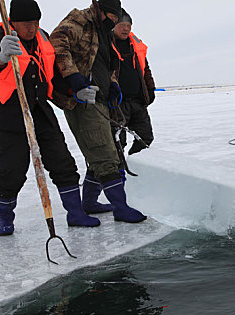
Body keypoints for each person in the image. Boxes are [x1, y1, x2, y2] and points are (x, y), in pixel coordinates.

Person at [0, 0, 101, 236]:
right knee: (11, 169)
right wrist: (2, 57)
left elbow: (53, 74)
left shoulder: (43, 37)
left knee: (62, 161)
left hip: (39, 109)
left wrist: (73, 91)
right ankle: (5, 216)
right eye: (27, 23)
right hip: (8, 114)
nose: (32, 28)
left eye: (36, 22)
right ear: (13, 21)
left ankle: (75, 213)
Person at [50, 0, 147, 223]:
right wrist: (73, 78)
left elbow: (104, 63)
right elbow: (57, 44)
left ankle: (90, 203)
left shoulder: (103, 30)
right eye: (111, 18)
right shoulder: (79, 21)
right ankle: (120, 208)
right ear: (100, 10)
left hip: (101, 100)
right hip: (83, 101)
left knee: (105, 151)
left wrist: (112, 84)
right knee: (104, 153)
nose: (113, 23)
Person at [112, 9, 156, 156]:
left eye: (129, 26)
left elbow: (146, 69)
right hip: (117, 104)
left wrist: (150, 88)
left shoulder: (135, 46)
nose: (126, 29)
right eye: (122, 25)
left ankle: (136, 164)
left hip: (137, 101)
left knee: (146, 137)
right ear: (114, 25)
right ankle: (118, 173)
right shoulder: (106, 44)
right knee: (117, 142)